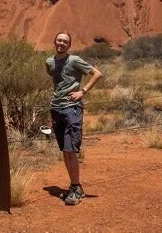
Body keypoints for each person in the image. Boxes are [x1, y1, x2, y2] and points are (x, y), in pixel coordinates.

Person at [45, 31, 102, 205]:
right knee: (64, 151)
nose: (61, 43)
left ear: (69, 45)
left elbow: (97, 74)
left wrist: (82, 92)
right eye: (59, 40)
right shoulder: (49, 62)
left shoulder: (74, 60)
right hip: (56, 108)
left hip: (72, 109)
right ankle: (74, 187)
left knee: (70, 150)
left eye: (65, 41)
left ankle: (76, 188)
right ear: (55, 42)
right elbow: (57, 82)